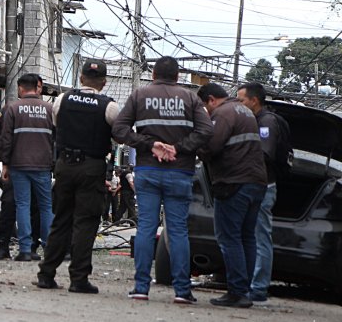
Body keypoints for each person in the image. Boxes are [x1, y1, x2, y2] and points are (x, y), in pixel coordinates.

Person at [112, 56, 213, 303]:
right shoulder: (190, 98)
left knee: (146, 227)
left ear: (154, 74)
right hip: (180, 171)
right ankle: (181, 291)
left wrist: (150, 144)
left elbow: (119, 129)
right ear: (178, 76)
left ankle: (141, 288)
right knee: (178, 231)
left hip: (148, 170)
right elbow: (206, 130)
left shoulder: (139, 95)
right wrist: (179, 148)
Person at [37, 59, 119, 294]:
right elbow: (119, 135)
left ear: (81, 78)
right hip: (91, 168)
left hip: (64, 165)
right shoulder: (109, 106)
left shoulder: (62, 99)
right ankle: (78, 278)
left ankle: (46, 274)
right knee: (86, 223)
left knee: (61, 219)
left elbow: (57, 124)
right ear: (103, 83)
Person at [197, 83, 268, 308]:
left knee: (229, 238)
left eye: (204, 108)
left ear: (211, 100)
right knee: (247, 237)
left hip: (234, 183)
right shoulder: (245, 111)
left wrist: (192, 147)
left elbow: (212, 146)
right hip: (256, 182)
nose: (206, 113)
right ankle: (244, 290)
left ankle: (236, 291)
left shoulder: (223, 113)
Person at [236, 82, 290, 303]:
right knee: (250, 236)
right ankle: (249, 283)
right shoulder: (253, 121)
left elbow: (264, 154)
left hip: (263, 186)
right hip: (253, 185)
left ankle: (258, 287)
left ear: (254, 101)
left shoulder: (266, 122)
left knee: (260, 237)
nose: (239, 105)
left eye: (241, 100)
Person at [0, 73, 55, 262]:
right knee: (46, 207)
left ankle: (25, 250)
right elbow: (57, 139)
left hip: (19, 164)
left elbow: (5, 139)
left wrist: (5, 163)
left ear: (21, 88)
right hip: (43, 165)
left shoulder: (13, 108)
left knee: (22, 205)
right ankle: (49, 247)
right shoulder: (50, 109)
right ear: (37, 87)